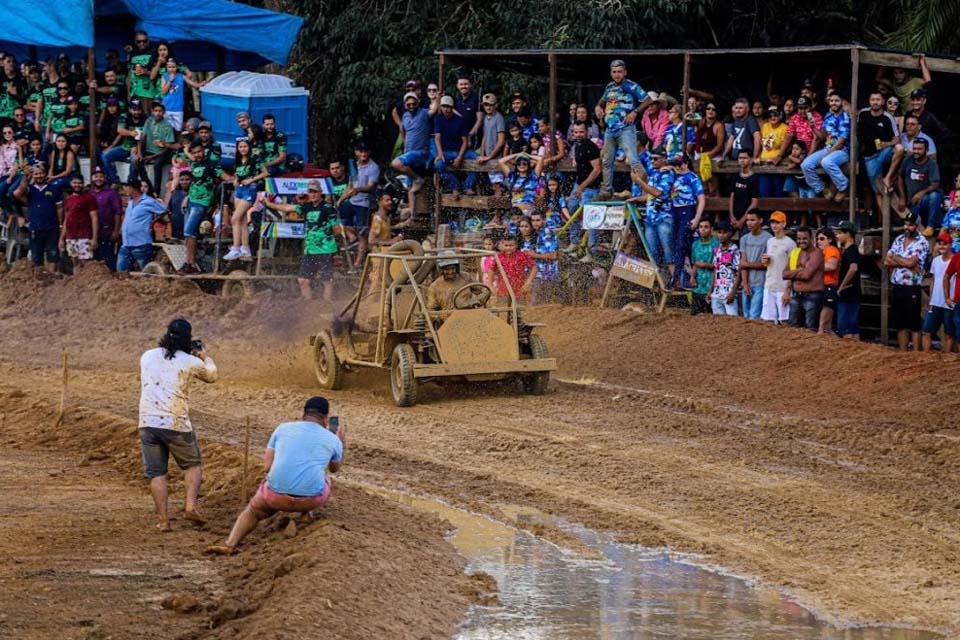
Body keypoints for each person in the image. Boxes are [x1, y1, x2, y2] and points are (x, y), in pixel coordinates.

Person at [204, 396, 343, 555]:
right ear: (326, 419)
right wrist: (340, 443)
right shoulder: (333, 439)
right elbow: (334, 468)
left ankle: (230, 543)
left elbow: (267, 467)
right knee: (322, 475)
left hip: (274, 497)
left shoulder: (282, 428)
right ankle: (306, 514)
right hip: (311, 500)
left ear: (303, 414)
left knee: (253, 510)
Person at [139, 318, 217, 532]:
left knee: (157, 473)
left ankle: (163, 520)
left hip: (147, 421)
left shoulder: (147, 356)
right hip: (175, 421)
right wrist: (204, 357)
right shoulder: (189, 361)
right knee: (192, 464)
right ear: (188, 338)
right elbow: (211, 376)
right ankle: (191, 506)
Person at [262, 179, 342, 301]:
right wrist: (269, 204)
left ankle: (326, 305)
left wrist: (324, 234)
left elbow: (337, 230)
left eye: (315, 191)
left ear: (320, 192)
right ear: (308, 193)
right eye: (310, 191)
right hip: (310, 250)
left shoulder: (328, 208)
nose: (313, 194)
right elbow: (288, 208)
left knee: (327, 280)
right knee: (302, 280)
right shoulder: (306, 207)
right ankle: (308, 306)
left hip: (326, 249)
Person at [594, 60, 651, 199]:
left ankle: (645, 190)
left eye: (619, 71)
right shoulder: (609, 87)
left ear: (625, 72)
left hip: (626, 129)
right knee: (607, 161)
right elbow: (602, 102)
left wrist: (635, 112)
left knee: (633, 160)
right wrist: (598, 107)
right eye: (614, 72)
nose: (617, 74)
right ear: (611, 73)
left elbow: (648, 100)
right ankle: (606, 191)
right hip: (610, 130)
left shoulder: (631, 85)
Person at [885, 212, 929, 351]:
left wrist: (896, 258)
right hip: (898, 285)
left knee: (914, 323)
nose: (907, 227)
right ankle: (903, 353)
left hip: (912, 286)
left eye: (910, 225)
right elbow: (886, 261)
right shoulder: (898, 239)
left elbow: (911, 262)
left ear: (917, 226)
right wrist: (904, 262)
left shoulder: (922, 241)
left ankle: (915, 355)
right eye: (905, 224)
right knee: (900, 323)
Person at [630, 146, 675, 279]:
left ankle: (675, 281)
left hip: (664, 219)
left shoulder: (668, 174)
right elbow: (651, 195)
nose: (652, 161)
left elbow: (658, 192)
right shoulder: (654, 173)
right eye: (651, 159)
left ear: (664, 160)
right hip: (650, 220)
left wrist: (638, 181)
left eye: (656, 159)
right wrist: (637, 198)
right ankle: (657, 283)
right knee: (652, 254)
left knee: (669, 253)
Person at [180, 140, 223, 273]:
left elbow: (224, 176)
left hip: (202, 203)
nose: (197, 155)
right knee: (188, 234)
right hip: (191, 201)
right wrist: (186, 198)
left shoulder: (211, 164)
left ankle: (191, 263)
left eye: (199, 151)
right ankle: (189, 262)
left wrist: (236, 180)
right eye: (195, 153)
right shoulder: (194, 162)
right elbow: (189, 156)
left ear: (204, 150)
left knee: (189, 231)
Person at [223, 138, 268, 261]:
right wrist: (236, 181)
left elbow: (265, 173)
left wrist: (252, 180)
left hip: (250, 189)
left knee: (235, 218)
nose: (243, 149)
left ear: (249, 147)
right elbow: (237, 174)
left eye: (245, 146)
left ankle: (236, 248)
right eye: (241, 147)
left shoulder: (255, 159)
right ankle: (245, 248)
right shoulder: (237, 160)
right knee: (242, 220)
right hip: (239, 190)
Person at [392, 90, 439, 207]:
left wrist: (437, 97)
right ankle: (413, 217)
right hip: (409, 152)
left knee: (396, 163)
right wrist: (405, 147)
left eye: (414, 104)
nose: (412, 106)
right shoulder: (405, 115)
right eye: (409, 104)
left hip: (421, 152)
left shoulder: (424, 113)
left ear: (418, 103)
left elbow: (433, 109)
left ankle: (418, 179)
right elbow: (403, 130)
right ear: (405, 105)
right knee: (410, 188)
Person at [13, 163, 62, 275]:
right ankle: (39, 278)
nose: (39, 176)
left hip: (52, 226)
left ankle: (51, 276)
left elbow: (59, 207)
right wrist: (26, 177)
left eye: (41, 173)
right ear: (33, 175)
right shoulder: (30, 189)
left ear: (45, 174)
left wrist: (60, 223)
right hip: (35, 226)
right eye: (36, 174)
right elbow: (18, 193)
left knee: (52, 252)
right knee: (36, 254)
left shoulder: (53, 189)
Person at [802, 93, 851, 201]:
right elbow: (823, 137)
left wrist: (825, 156)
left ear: (842, 102)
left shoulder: (845, 118)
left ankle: (844, 187)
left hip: (842, 151)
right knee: (805, 165)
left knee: (826, 162)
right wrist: (813, 127)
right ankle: (822, 188)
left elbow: (840, 142)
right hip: (828, 148)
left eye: (836, 100)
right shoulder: (828, 116)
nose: (834, 103)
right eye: (832, 101)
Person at [338, 142, 379, 269]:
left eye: (365, 151)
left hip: (364, 203)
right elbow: (350, 187)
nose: (363, 154)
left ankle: (357, 263)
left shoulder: (373, 167)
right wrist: (340, 200)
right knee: (338, 222)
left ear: (369, 152)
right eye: (361, 151)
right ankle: (351, 237)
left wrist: (359, 190)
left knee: (363, 234)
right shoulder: (354, 166)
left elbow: (371, 186)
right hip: (351, 202)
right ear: (357, 153)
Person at [669, 155, 706, 288]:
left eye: (679, 165)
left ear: (685, 164)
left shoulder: (692, 177)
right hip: (675, 212)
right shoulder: (674, 176)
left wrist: (697, 218)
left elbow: (701, 198)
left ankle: (676, 279)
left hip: (687, 211)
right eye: (675, 165)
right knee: (678, 245)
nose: (677, 167)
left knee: (681, 245)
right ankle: (686, 278)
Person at [858, 91, 899, 212]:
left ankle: (890, 176)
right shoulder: (863, 114)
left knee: (899, 149)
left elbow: (897, 139)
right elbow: (857, 131)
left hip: (884, 152)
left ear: (882, 102)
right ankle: (886, 220)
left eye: (878, 99)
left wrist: (886, 144)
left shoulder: (888, 118)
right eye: (873, 99)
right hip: (869, 156)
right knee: (877, 189)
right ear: (869, 101)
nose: (875, 102)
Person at [117, 177, 165, 273]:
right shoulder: (130, 202)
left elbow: (163, 210)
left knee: (146, 274)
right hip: (126, 243)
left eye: (126, 187)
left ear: (132, 188)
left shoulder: (148, 201)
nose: (125, 190)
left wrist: (153, 221)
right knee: (121, 272)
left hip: (141, 243)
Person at [434, 95, 476, 199]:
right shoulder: (438, 119)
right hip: (447, 151)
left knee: (478, 159)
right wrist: (440, 153)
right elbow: (437, 138)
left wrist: (459, 157)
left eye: (448, 106)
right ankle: (455, 187)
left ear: (452, 107)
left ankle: (468, 186)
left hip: (461, 150)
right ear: (441, 107)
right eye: (443, 106)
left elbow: (465, 141)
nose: (446, 109)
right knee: (438, 165)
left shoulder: (460, 120)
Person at [896, 137, 942, 232]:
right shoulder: (908, 160)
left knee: (935, 195)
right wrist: (902, 197)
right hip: (911, 204)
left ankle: (931, 226)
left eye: (919, 149)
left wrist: (922, 193)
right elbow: (900, 177)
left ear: (927, 150)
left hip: (924, 202)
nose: (916, 151)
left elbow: (935, 184)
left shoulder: (931, 164)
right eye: (914, 148)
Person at [782, 227, 824, 330]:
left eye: (805, 238)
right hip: (796, 295)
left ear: (811, 239)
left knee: (810, 330)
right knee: (792, 328)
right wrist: (798, 270)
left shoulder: (816, 253)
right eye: (799, 239)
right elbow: (784, 274)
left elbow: (806, 275)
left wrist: (794, 272)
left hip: (812, 296)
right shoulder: (796, 252)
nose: (801, 241)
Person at [761, 211, 797, 325]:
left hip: (782, 286)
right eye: (772, 222)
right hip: (769, 284)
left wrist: (788, 290)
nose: (774, 225)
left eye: (777, 222)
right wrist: (764, 262)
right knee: (768, 320)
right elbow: (769, 263)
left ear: (784, 224)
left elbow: (792, 268)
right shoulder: (770, 241)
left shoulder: (790, 244)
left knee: (784, 320)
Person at [922, 232, 955, 353]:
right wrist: (931, 299)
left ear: (950, 245)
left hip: (950, 303)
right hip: (935, 302)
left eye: (945, 244)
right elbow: (933, 280)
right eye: (940, 244)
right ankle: (926, 359)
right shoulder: (935, 260)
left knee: (949, 334)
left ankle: (946, 360)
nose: (942, 246)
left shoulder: (955, 260)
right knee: (926, 331)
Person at [57, 176, 98, 270]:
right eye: (75, 183)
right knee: (75, 263)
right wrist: (61, 238)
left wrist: (94, 238)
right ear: (71, 184)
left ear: (83, 184)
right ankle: (76, 283)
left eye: (79, 183)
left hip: (84, 236)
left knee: (86, 264)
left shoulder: (89, 198)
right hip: (71, 236)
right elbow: (66, 219)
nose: (77, 185)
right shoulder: (68, 199)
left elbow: (94, 218)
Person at [739, 211, 772, 319]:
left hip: (761, 282)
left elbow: (766, 265)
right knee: (746, 315)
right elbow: (742, 264)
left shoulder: (768, 239)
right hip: (747, 282)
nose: (749, 223)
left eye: (752, 220)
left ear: (760, 220)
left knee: (754, 316)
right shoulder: (744, 238)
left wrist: (747, 264)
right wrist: (745, 283)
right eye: (747, 220)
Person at [136, 102, 175, 194]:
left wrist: (151, 157)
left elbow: (168, 147)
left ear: (164, 112)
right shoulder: (149, 121)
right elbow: (142, 138)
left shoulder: (167, 125)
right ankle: (147, 185)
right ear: (152, 112)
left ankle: (156, 191)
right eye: (156, 111)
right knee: (136, 161)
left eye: (160, 111)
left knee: (157, 165)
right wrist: (140, 153)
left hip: (162, 152)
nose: (158, 113)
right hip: (149, 151)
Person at [89, 166, 123, 270]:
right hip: (92, 233)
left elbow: (118, 213)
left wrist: (116, 231)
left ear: (105, 178)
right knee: (94, 261)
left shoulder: (112, 194)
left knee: (108, 260)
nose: (98, 179)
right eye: (96, 176)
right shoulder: (89, 194)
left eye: (101, 176)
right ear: (92, 178)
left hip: (107, 232)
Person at [835, 220, 862, 339]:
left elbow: (853, 268)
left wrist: (842, 286)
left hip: (848, 293)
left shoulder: (851, 250)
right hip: (852, 293)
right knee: (852, 326)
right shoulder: (850, 250)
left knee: (845, 328)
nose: (837, 236)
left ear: (848, 234)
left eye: (840, 233)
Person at [527, 211, 561, 305]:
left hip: (547, 274)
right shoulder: (536, 233)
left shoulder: (547, 233)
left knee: (538, 303)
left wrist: (534, 255)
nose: (535, 223)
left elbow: (553, 255)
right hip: (538, 273)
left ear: (544, 220)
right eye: (533, 220)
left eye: (538, 220)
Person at [493, 235, 537, 304]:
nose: (508, 248)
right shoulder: (499, 257)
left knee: (519, 311)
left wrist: (528, 282)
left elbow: (534, 267)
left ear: (516, 245)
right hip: (503, 290)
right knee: (504, 310)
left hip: (519, 290)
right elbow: (491, 269)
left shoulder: (522, 255)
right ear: (502, 245)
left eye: (511, 245)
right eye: (506, 245)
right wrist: (491, 285)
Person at [476, 93, 506, 196]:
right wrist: (483, 153)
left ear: (495, 105)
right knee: (493, 185)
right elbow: (485, 136)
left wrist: (489, 156)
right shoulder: (485, 118)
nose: (488, 107)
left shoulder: (499, 118)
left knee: (498, 186)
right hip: (488, 156)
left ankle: (499, 211)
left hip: (496, 157)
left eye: (490, 104)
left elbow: (501, 140)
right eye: (485, 105)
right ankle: (495, 210)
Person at [708, 221, 740, 316]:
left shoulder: (735, 251)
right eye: (719, 232)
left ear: (730, 233)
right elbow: (715, 270)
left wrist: (733, 292)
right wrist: (710, 291)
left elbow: (739, 273)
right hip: (717, 294)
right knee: (719, 325)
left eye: (724, 232)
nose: (721, 235)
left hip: (729, 293)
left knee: (732, 323)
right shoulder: (717, 250)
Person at [689, 218, 718, 315]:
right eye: (700, 227)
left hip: (711, 286)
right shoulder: (695, 245)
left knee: (710, 317)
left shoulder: (716, 244)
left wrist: (705, 264)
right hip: (698, 286)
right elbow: (694, 263)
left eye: (706, 227)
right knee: (695, 316)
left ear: (711, 229)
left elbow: (719, 266)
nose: (703, 229)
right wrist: (692, 277)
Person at [816, 227, 842, 334]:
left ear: (830, 240)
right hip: (823, 285)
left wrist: (814, 267)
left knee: (823, 325)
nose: (818, 241)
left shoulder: (831, 249)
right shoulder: (821, 251)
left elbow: (831, 266)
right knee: (827, 326)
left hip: (830, 285)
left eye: (822, 239)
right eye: (817, 239)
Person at [758, 106, 788, 197]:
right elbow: (761, 144)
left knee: (778, 193)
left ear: (780, 115)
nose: (772, 117)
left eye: (775, 115)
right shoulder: (765, 126)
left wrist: (778, 157)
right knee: (764, 193)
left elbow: (786, 147)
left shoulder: (785, 127)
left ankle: (778, 211)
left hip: (777, 164)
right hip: (763, 164)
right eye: (770, 115)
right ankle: (765, 212)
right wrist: (757, 157)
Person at [722, 98, 761, 162]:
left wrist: (754, 156)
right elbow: (731, 139)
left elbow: (757, 138)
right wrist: (723, 156)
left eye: (740, 108)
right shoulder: (736, 120)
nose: (737, 110)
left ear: (747, 109)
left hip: (746, 159)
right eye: (736, 108)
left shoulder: (751, 120)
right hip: (735, 159)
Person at [729, 150, 758, 229]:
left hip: (747, 219)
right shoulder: (735, 176)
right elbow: (732, 197)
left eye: (745, 158)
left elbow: (754, 202)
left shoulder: (754, 178)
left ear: (751, 160)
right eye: (740, 158)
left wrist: (743, 220)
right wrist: (731, 215)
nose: (742, 160)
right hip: (734, 218)